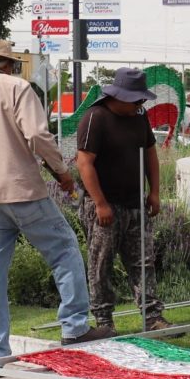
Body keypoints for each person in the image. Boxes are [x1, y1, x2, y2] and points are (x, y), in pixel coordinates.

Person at [0, 38, 112, 359]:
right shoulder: (16, 88)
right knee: (64, 250)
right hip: (21, 190)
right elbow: (38, 136)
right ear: (7, 64)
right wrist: (61, 172)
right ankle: (74, 327)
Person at [76, 67, 172, 334]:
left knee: (143, 261)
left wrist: (154, 192)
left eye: (142, 100)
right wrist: (100, 203)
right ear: (119, 96)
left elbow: (150, 153)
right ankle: (104, 321)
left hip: (135, 203)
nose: (140, 105)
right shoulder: (96, 117)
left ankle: (152, 316)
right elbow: (84, 163)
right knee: (101, 264)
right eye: (136, 100)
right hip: (104, 206)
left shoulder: (139, 117)